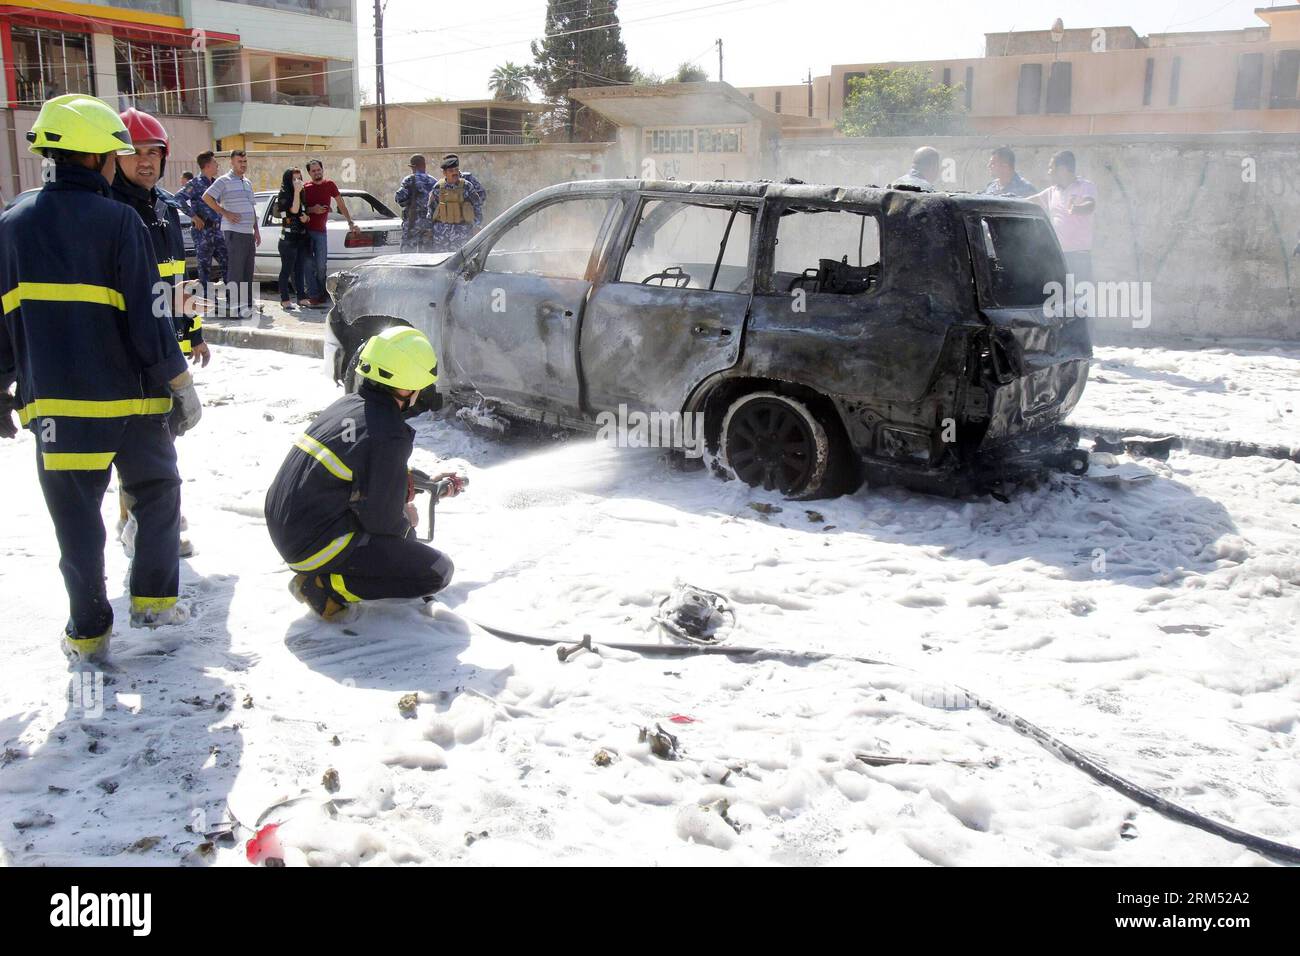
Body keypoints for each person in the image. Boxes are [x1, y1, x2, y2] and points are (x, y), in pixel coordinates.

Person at [0, 94, 202, 664]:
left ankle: (88, 632)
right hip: (133, 406)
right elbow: (146, 318)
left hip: (57, 412)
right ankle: (156, 602)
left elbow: (3, 322)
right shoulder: (120, 221)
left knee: (78, 523)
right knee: (159, 495)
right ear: (98, 159)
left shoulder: (11, 225)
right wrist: (178, 384)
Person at [264, 327, 458, 620]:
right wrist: (406, 519)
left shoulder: (349, 405)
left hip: (288, 529)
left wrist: (423, 482)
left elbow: (365, 467)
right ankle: (324, 586)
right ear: (409, 386)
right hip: (314, 546)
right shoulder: (389, 433)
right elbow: (384, 523)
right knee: (436, 570)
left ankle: (324, 572)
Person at [111, 107, 209, 558]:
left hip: (166, 345)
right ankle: (147, 522)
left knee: (160, 436)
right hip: (128, 348)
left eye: (154, 152)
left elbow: (183, 281)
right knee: (148, 443)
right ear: (114, 156)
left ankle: (139, 513)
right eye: (134, 152)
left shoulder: (170, 210)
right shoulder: (109, 209)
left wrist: (195, 335)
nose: (145, 161)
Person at [202, 149, 261, 319]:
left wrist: (256, 230)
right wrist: (224, 212)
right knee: (236, 270)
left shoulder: (247, 182)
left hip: (248, 232)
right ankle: (235, 306)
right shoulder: (224, 180)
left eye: (245, 162)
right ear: (232, 163)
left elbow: (251, 207)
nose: (243, 165)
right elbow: (207, 197)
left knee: (248, 270)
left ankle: (248, 305)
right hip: (234, 232)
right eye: (239, 162)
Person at [1027, 150, 1097, 285]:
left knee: (1080, 299)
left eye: (1051, 168)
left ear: (1062, 169)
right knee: (1059, 298)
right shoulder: (1052, 191)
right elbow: (1029, 201)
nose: (1048, 172)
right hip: (1058, 255)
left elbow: (1090, 205)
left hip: (1079, 256)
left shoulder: (1085, 186)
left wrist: (1077, 208)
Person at [301, 158, 359, 307]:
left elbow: (341, 203)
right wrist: (312, 210)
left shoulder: (329, 185)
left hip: (321, 232)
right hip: (306, 233)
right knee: (308, 265)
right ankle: (313, 295)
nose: (317, 173)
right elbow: (299, 210)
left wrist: (350, 222)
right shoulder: (305, 188)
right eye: (313, 171)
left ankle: (322, 293)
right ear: (309, 173)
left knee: (321, 265)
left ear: (322, 170)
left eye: (318, 170)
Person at [176, 151, 228, 304]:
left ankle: (232, 296)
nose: (217, 165)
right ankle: (207, 299)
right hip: (203, 231)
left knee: (227, 262)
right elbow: (178, 198)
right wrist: (193, 216)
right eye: (215, 163)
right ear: (207, 165)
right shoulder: (195, 183)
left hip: (218, 230)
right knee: (204, 267)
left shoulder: (217, 182)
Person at [427, 153, 486, 253]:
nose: (454, 173)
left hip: (462, 233)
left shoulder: (467, 186)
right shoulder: (438, 187)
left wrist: (477, 225)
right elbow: (431, 209)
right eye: (451, 171)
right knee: (441, 261)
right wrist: (429, 229)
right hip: (442, 235)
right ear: (444, 173)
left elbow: (477, 206)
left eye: (456, 170)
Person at [273, 167, 312, 308]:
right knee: (287, 270)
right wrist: (296, 192)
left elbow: (302, 212)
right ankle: (285, 299)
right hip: (288, 239)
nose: (297, 182)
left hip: (300, 236)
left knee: (299, 269)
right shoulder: (283, 195)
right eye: (294, 179)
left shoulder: (302, 194)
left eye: (299, 178)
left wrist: (306, 218)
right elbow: (293, 210)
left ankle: (301, 297)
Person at [394, 154, 437, 252]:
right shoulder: (434, 181)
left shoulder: (409, 180)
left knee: (408, 256)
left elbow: (399, 198)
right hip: (429, 224)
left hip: (413, 223)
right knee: (428, 257)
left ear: (413, 167)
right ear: (424, 165)